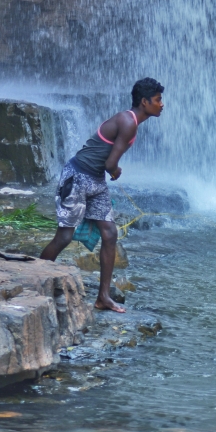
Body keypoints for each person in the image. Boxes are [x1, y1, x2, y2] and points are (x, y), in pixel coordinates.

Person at [40, 78, 164, 313]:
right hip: (76, 177)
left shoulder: (130, 121)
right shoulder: (128, 122)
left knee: (109, 233)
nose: (162, 104)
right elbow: (110, 163)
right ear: (145, 101)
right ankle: (34, 278)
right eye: (158, 100)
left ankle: (103, 298)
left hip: (95, 180)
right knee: (64, 237)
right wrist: (116, 170)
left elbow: (106, 163)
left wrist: (111, 170)